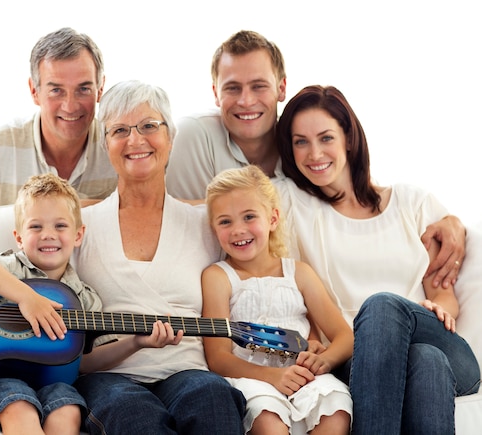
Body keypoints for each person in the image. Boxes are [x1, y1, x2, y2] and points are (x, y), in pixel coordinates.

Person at [165, 29, 465, 289]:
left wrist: (450, 221)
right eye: (232, 88)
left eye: (258, 85)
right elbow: (176, 216)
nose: (246, 101)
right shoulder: (195, 135)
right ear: (216, 93)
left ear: (281, 88)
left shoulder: (300, 144)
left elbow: (355, 193)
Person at [276, 85, 481, 434]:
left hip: (440, 343)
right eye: (300, 142)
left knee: (387, 308)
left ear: (349, 139)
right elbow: (218, 201)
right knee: (425, 362)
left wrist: (441, 306)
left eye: (326, 138)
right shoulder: (292, 202)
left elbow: (443, 290)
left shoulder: (411, 203)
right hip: (356, 360)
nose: (314, 153)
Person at [70, 80, 246, 434]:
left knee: (212, 397)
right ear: (106, 144)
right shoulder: (79, 227)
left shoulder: (206, 224)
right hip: (110, 377)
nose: (135, 140)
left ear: (171, 136)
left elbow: (257, 275)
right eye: (120, 130)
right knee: (134, 414)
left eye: (149, 126)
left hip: (187, 371)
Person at [0, 173, 177, 434]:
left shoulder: (84, 298)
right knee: (19, 406)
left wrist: (137, 342)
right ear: (18, 237)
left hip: (53, 382)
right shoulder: (12, 268)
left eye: (60, 226)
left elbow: (84, 363)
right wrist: (27, 298)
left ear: (78, 235)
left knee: (68, 408)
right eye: (36, 227)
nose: (48, 235)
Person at [203, 165, 353, 435]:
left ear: (272, 219)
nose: (238, 230)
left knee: (336, 408)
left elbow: (344, 335)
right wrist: (274, 377)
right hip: (250, 377)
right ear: (213, 229)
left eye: (249, 217)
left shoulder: (299, 273)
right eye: (225, 221)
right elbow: (218, 357)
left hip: (303, 374)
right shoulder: (218, 277)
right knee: (267, 420)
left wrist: (326, 360)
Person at [0, 27, 117, 210]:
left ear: (100, 88)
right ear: (34, 91)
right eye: (56, 90)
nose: (70, 106)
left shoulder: (119, 146)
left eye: (83, 89)